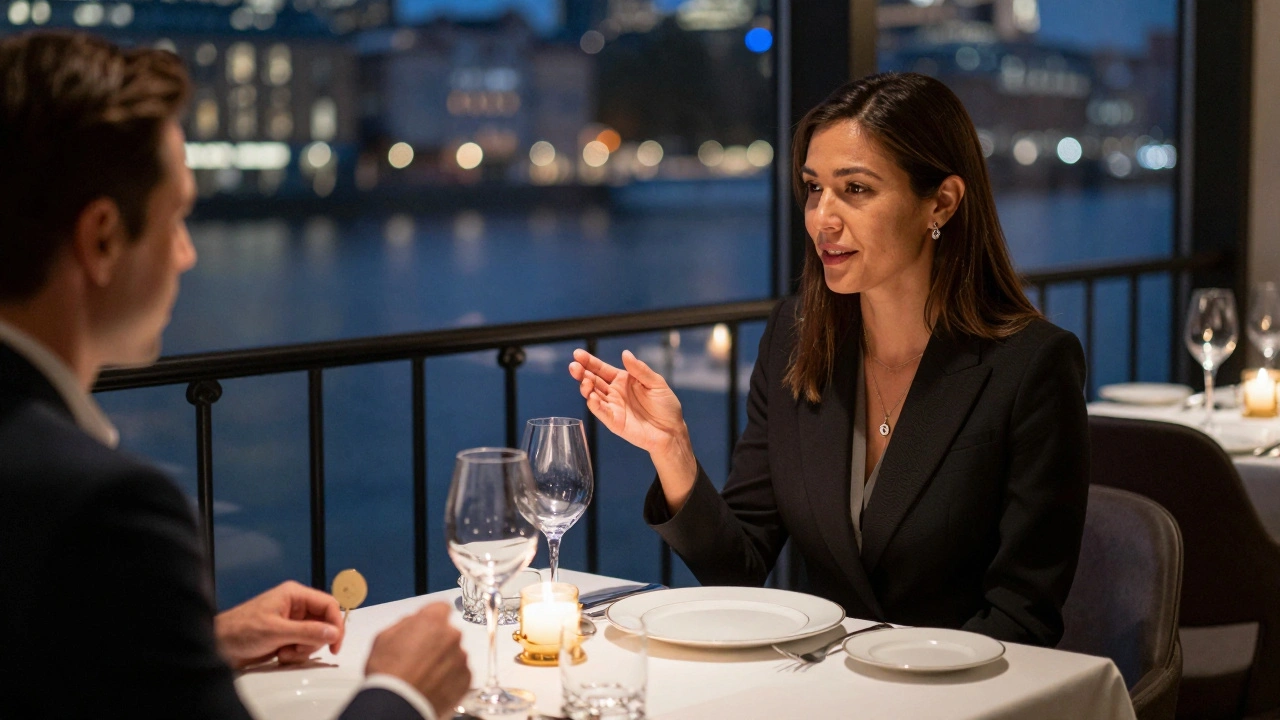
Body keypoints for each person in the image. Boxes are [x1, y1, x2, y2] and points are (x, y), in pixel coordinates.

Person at [0, 32, 470, 718]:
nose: (186, 254)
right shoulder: (104, 507)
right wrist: (403, 693)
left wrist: (197, 643)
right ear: (101, 238)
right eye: (177, 218)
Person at [569, 72, 1089, 648]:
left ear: (940, 202)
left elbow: (1023, 619)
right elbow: (738, 566)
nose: (823, 218)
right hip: (819, 682)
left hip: (963, 687)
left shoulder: (1032, 365)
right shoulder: (795, 339)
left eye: (856, 189)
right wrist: (672, 450)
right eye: (814, 188)